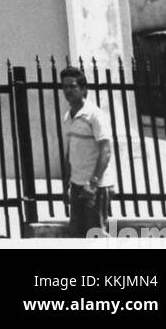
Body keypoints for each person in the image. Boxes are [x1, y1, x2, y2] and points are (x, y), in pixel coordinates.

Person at [61, 66, 115, 238]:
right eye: (65, 86)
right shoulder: (68, 116)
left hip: (95, 187)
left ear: (83, 89)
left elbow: (105, 151)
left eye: (72, 86)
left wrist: (93, 183)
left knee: (96, 235)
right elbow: (70, 153)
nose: (68, 90)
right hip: (76, 185)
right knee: (76, 234)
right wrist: (66, 186)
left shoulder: (95, 115)